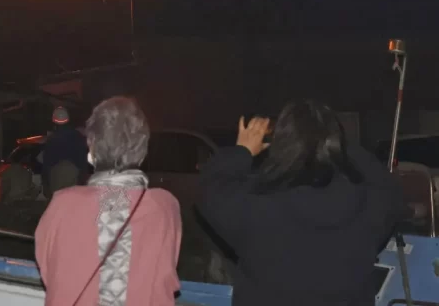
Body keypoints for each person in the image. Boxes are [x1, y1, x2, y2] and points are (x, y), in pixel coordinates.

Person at [197, 100, 406, 306]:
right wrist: (334, 141)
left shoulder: (256, 206)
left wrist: (243, 149)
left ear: (282, 146)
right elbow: (387, 185)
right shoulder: (368, 206)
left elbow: (210, 187)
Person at [35, 97, 182, 306]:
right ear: (143, 151)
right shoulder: (165, 207)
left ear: (91, 150)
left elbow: (50, 273)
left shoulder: (62, 205)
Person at [41, 105, 89, 194]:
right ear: (68, 119)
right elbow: (83, 161)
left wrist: (46, 184)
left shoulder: (51, 140)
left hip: (57, 182)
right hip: (75, 181)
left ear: (54, 120)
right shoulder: (78, 137)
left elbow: (47, 164)